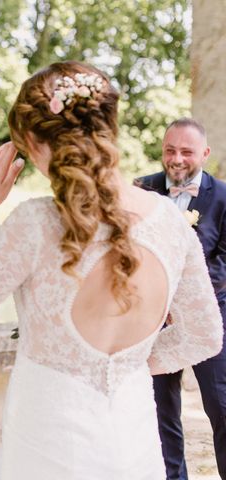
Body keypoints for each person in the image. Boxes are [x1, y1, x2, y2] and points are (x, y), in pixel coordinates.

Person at [0, 61, 223, 479]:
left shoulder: (35, 223)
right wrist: (132, 363)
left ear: (33, 141)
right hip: (133, 439)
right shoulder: (172, 222)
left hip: (46, 442)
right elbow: (204, 335)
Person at [137, 118, 226, 480]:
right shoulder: (141, 189)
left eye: (186, 151)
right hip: (151, 322)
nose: (176, 159)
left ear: (204, 153)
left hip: (209, 316)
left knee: (221, 404)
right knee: (160, 409)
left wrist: (184, 302)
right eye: (170, 150)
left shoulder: (222, 197)